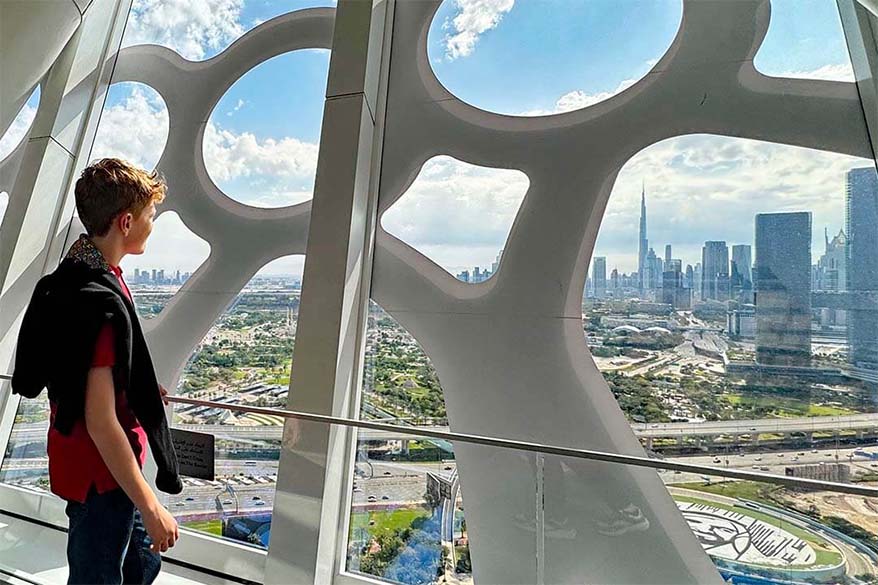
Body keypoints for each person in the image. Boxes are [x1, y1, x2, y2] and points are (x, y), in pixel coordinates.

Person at [12, 158, 183, 584]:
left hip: (82, 463)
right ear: (126, 222)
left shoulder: (70, 281)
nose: (152, 224)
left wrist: (130, 384)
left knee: (141, 565)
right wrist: (151, 506)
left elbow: (82, 372)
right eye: (149, 216)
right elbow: (102, 422)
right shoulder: (97, 302)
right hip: (102, 476)